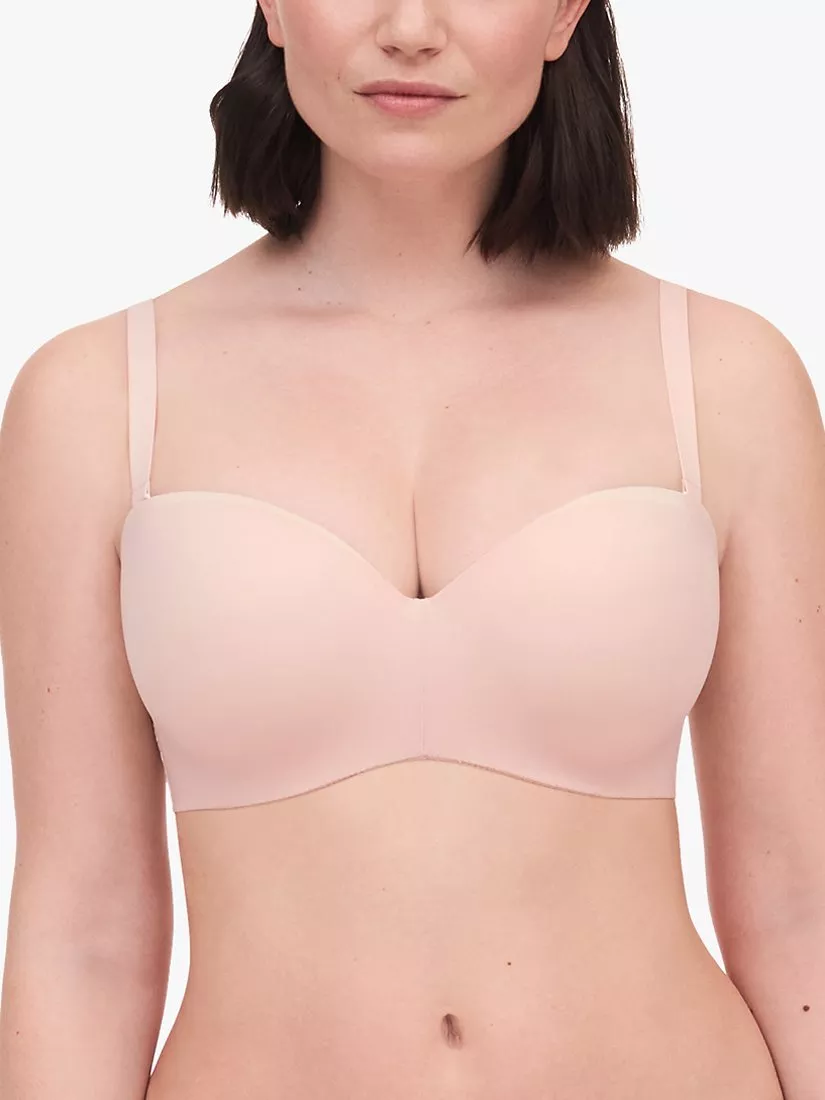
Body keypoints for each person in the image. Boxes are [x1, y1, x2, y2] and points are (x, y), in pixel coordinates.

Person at [1, 1, 823, 1097]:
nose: (410, 27)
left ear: (564, 12)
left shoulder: (725, 378)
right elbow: (82, 932)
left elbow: (797, 896)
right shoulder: (95, 400)